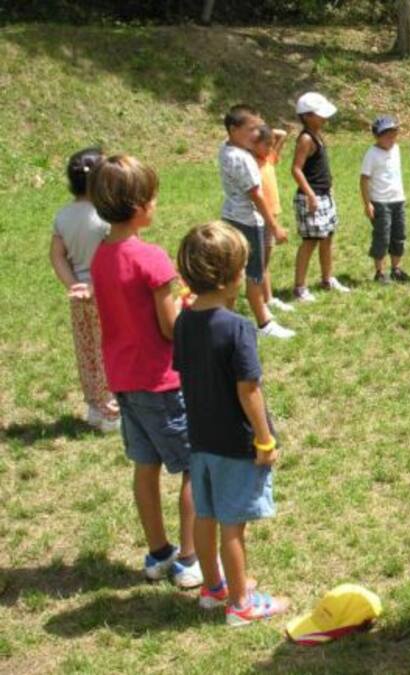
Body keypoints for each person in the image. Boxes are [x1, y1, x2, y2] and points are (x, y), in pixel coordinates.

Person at [89, 154, 201, 587]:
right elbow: (170, 327)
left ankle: (158, 553)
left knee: (145, 464)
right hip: (161, 380)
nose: (156, 204)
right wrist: (187, 307)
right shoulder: (152, 259)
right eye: (153, 198)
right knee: (193, 464)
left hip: (124, 380)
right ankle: (190, 559)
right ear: (138, 207)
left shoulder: (100, 256)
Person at [174, 221, 289, 625]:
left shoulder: (183, 322)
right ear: (231, 278)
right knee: (233, 526)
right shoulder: (238, 328)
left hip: (200, 440)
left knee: (205, 515)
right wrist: (264, 438)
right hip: (235, 444)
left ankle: (213, 586)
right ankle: (241, 604)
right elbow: (249, 391)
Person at [49, 147, 120, 432]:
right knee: (111, 349)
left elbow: (57, 255)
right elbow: (116, 254)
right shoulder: (107, 217)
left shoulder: (64, 216)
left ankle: (94, 406)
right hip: (108, 295)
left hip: (79, 298)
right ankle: (111, 413)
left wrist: (74, 283)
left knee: (88, 348)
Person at [218, 104, 294, 339]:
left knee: (233, 272)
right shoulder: (243, 159)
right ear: (233, 129)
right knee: (254, 273)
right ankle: (264, 323)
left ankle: (224, 322)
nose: (256, 134)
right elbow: (257, 195)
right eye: (251, 129)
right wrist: (274, 226)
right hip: (248, 220)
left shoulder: (226, 148)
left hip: (231, 215)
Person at [291, 91, 350, 302]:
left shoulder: (317, 134)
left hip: (324, 196)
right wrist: (310, 195)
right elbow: (296, 169)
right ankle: (299, 287)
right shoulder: (306, 139)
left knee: (327, 239)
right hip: (312, 199)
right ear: (307, 116)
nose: (324, 118)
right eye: (320, 115)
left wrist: (328, 189)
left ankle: (327, 279)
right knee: (310, 242)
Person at [360, 115, 410, 283]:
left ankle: (396, 269)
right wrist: (367, 203)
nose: (391, 139)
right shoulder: (371, 154)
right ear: (377, 136)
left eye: (393, 134)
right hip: (380, 202)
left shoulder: (396, 149)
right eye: (386, 135)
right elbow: (364, 179)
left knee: (399, 235)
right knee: (382, 237)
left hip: (398, 199)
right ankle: (379, 272)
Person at [251, 123, 294, 316]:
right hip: (259, 216)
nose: (270, 147)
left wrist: (264, 131)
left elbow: (282, 133)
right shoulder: (250, 162)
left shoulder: (269, 158)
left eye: (271, 144)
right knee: (258, 262)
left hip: (271, 215)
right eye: (266, 144)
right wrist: (255, 134)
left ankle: (268, 298)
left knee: (265, 261)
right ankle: (261, 300)